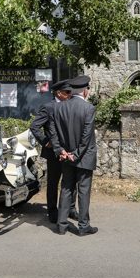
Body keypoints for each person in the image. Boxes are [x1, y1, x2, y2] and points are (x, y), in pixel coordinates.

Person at [50, 75, 98, 236]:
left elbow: (53, 133)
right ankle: (83, 226)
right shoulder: (88, 108)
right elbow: (86, 135)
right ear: (84, 91)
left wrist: (60, 151)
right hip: (83, 156)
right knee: (83, 190)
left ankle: (62, 224)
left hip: (66, 155)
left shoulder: (59, 107)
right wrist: (76, 154)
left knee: (66, 188)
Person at [29, 79, 75, 223]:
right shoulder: (48, 107)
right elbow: (34, 126)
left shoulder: (70, 105)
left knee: (71, 182)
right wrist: (45, 141)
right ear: (59, 93)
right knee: (53, 183)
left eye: (70, 92)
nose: (70, 95)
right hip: (53, 152)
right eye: (67, 92)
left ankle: (70, 209)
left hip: (69, 150)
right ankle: (52, 211)